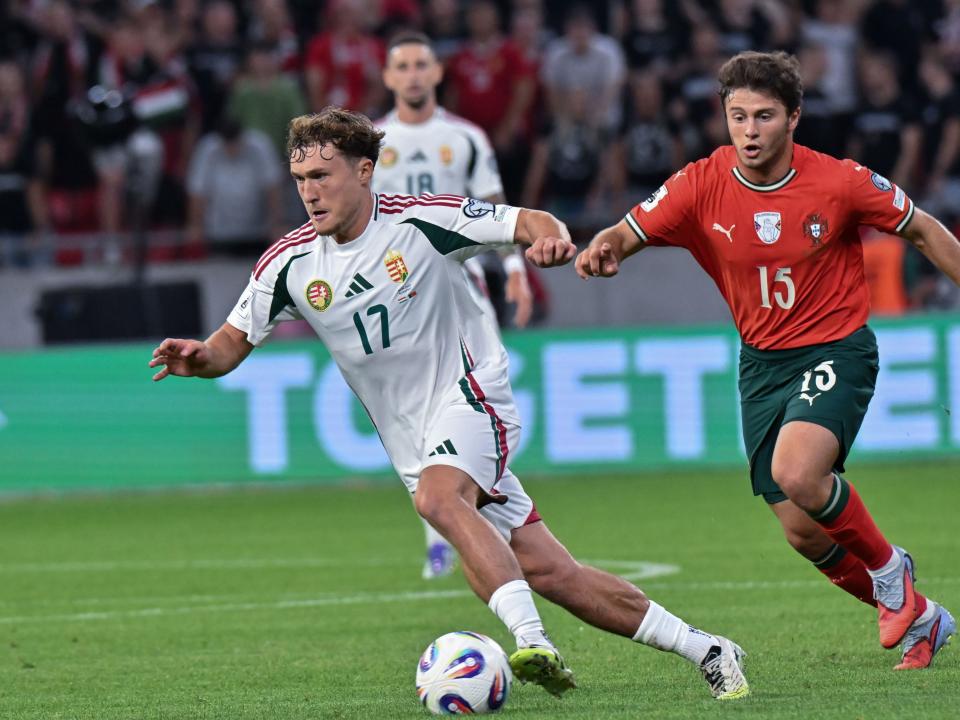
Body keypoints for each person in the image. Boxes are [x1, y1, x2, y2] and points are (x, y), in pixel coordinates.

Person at [149, 107, 750, 701]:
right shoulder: (287, 263)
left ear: (365, 171)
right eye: (301, 178)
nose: (310, 191)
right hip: (412, 438)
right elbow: (229, 347)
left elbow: (534, 221)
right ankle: (709, 648)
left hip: (471, 392)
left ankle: (534, 644)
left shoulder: (422, 222)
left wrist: (548, 243)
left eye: (323, 176)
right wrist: (196, 358)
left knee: (437, 500)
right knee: (550, 572)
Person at [529, 50, 958, 671]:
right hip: (762, 367)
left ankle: (893, 573)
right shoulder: (700, 184)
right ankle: (922, 617)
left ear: (794, 119)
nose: (750, 131)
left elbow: (923, 229)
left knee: (799, 473)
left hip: (837, 348)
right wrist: (605, 250)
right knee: (804, 530)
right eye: (738, 117)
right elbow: (626, 232)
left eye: (764, 116)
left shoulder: (839, 181)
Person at [374, 32, 533, 579]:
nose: (414, 74)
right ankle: (439, 534)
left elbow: (495, 207)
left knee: (487, 386)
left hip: (462, 288)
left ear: (437, 72)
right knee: (414, 414)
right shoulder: (371, 139)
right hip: (394, 294)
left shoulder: (464, 138)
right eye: (403, 66)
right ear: (389, 77)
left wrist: (514, 269)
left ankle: (487, 508)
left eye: (422, 64)